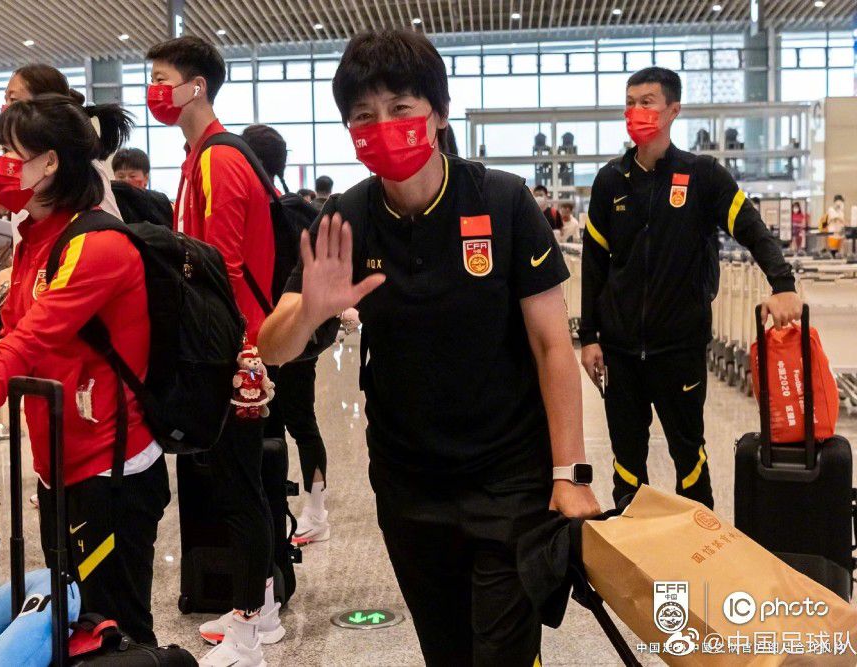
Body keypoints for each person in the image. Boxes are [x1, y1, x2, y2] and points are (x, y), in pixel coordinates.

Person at [257, 29, 600, 667]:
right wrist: (312, 309)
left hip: (510, 478)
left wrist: (570, 474)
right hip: (409, 484)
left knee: (500, 655)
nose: (382, 126)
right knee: (446, 653)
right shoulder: (346, 217)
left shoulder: (499, 201)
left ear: (438, 115)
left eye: (401, 108)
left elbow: (554, 345)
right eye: (363, 115)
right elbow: (273, 347)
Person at [0, 95, 171, 647]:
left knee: (118, 629)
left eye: (9, 151)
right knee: (74, 625)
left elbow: (28, 341)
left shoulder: (96, 245)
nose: (0, 164)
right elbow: (28, 339)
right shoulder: (32, 242)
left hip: (109, 469)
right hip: (58, 465)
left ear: (49, 163)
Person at [580, 67, 802, 510]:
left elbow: (753, 229)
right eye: (630, 102)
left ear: (673, 110)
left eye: (647, 102)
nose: (636, 111)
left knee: (689, 456)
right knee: (626, 460)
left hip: (678, 347)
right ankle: (632, 554)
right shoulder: (610, 182)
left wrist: (783, 284)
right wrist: (589, 338)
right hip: (621, 350)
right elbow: (594, 263)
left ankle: (698, 553)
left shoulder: (703, 176)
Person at [146, 36, 281, 666]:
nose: (156, 90)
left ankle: (252, 631)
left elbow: (220, 268)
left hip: (233, 350)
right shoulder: (199, 156)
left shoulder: (217, 160)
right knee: (240, 484)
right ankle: (262, 608)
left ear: (196, 86)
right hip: (231, 345)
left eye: (163, 77)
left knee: (239, 488)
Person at [242, 123, 333, 546]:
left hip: (271, 336)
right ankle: (312, 509)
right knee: (299, 420)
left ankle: (302, 510)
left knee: (275, 423)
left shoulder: (266, 213)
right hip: (299, 336)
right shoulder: (303, 213)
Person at [4, 63, 122, 221]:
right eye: (5, 99)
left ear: (46, 104)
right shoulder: (26, 170)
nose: (5, 109)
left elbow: (108, 229)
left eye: (13, 99)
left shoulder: (83, 170)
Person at [110, 147, 174, 227]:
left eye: (132, 176)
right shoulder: (110, 200)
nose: (126, 180)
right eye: (121, 176)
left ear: (146, 178)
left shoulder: (160, 201)